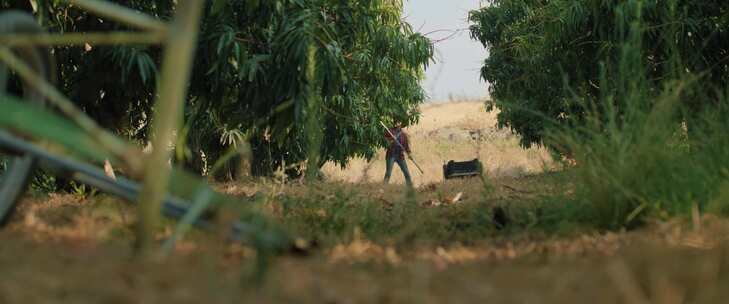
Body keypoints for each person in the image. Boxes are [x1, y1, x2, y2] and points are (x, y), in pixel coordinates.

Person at [383, 120, 413, 186]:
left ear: (401, 123)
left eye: (399, 122)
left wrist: (409, 154)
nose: (397, 123)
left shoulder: (403, 135)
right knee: (388, 173)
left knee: (406, 172)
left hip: (400, 156)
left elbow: (406, 146)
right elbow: (385, 141)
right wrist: (391, 139)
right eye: (396, 122)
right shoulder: (389, 131)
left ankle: (410, 188)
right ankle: (383, 188)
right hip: (391, 155)